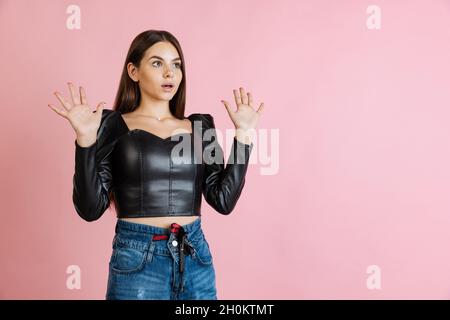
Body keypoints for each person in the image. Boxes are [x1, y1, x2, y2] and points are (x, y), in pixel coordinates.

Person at [48, 29, 263, 300]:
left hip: (195, 256)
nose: (169, 73)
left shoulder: (200, 126)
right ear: (134, 71)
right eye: (157, 63)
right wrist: (85, 141)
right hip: (137, 259)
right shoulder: (112, 125)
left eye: (176, 65)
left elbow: (223, 200)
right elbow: (90, 209)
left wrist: (243, 135)